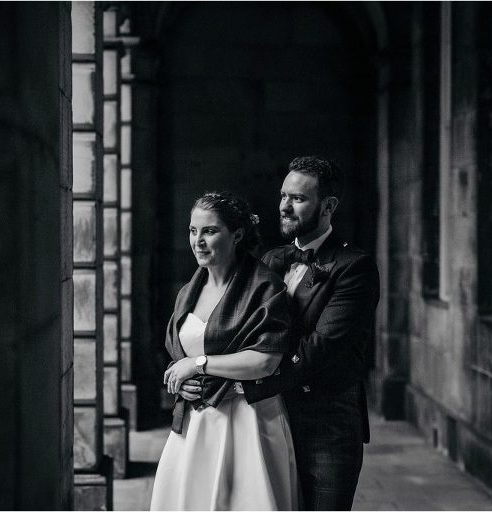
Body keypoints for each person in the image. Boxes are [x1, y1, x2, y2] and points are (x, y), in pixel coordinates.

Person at [242, 156, 381, 510]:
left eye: (298, 199)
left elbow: (323, 346)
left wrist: (251, 380)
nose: (285, 207)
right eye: (283, 196)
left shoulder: (355, 267)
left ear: (328, 206)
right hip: (271, 417)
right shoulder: (272, 260)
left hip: (327, 427)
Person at [150, 191, 299, 511]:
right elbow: (179, 355)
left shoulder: (264, 286)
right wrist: (180, 378)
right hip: (195, 423)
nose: (198, 241)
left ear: (238, 235)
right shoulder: (188, 291)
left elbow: (266, 360)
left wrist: (198, 365)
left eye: (210, 231)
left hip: (247, 420)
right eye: (193, 231)